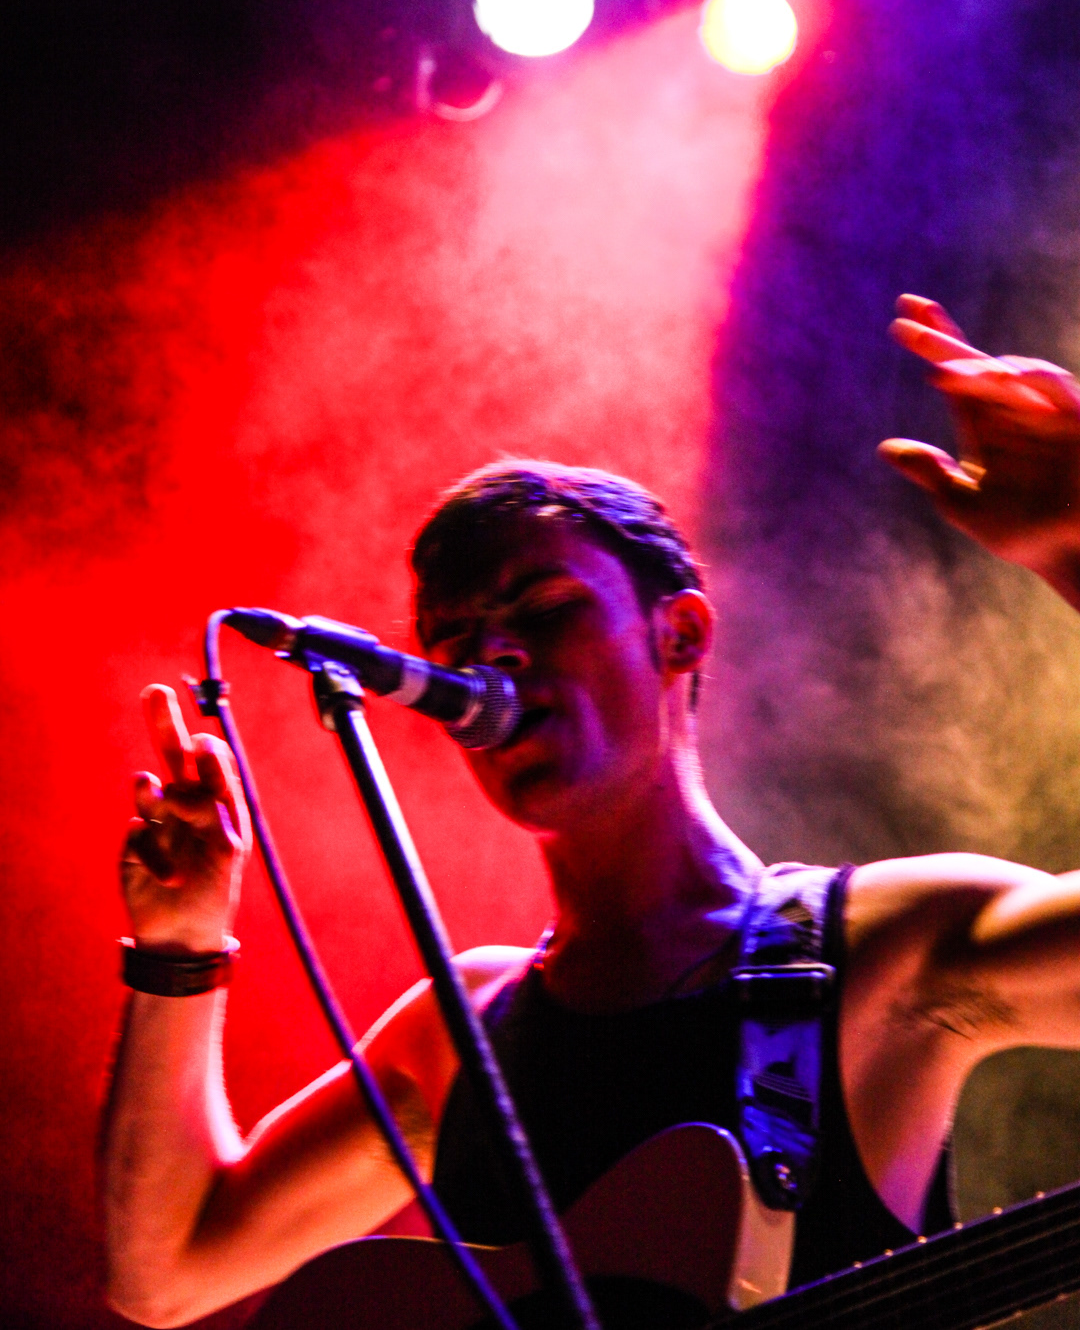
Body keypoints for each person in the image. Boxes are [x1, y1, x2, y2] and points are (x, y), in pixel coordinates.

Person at [101, 293, 1080, 1328]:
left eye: (545, 609)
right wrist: (181, 946)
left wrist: (1072, 546)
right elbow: (168, 1271)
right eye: (453, 641)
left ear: (680, 634)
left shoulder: (888, 946)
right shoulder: (465, 1026)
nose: (492, 655)